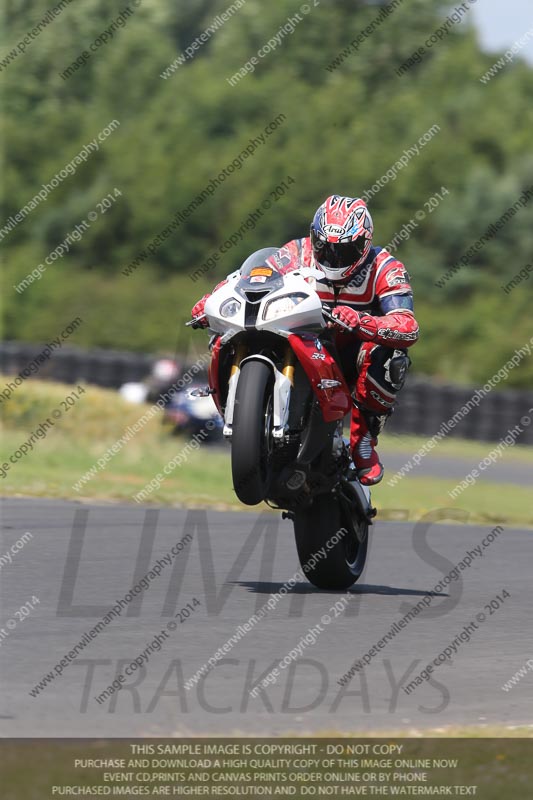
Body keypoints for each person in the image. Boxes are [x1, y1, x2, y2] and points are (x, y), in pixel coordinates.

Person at [191, 195, 419, 485]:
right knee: (230, 333)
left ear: (364, 243)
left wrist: (362, 322)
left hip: (350, 354)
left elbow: (407, 325)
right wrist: (214, 298)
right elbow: (248, 277)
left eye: (344, 250)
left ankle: (363, 440)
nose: (332, 257)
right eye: (324, 246)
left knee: (391, 357)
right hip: (301, 340)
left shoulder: (385, 267)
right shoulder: (296, 252)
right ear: (314, 236)